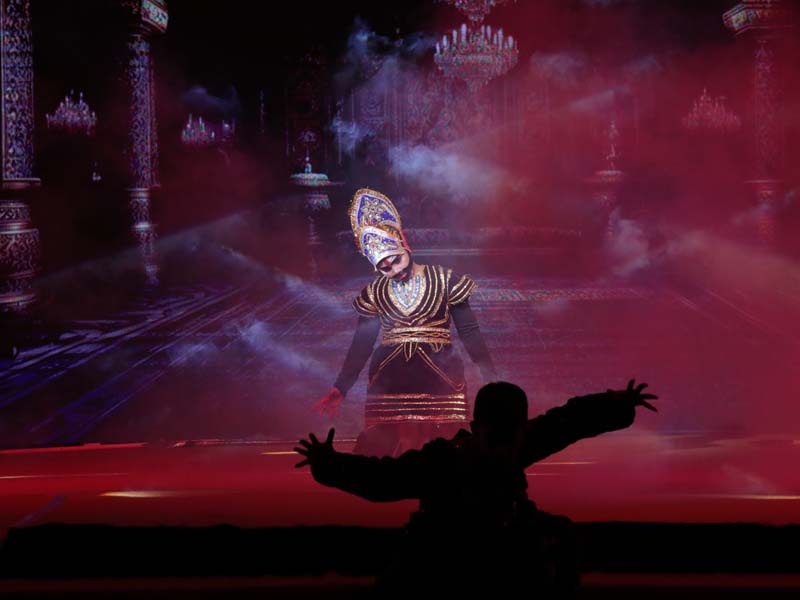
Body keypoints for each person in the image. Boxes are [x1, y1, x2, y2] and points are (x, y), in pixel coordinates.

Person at [297, 379, 658, 597]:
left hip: (506, 546)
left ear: (520, 430)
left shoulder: (520, 442)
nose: (502, 448)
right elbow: (383, 480)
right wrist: (327, 463)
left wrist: (616, 405)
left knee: (559, 535)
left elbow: (570, 420)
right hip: (444, 555)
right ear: (476, 428)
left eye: (510, 436)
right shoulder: (443, 460)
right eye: (496, 437)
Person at [313, 188, 496, 456]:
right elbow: (362, 343)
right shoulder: (374, 292)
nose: (396, 270)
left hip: (441, 373)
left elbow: (469, 331)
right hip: (390, 376)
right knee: (387, 451)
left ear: (404, 244)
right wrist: (341, 386)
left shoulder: (446, 279)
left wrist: (488, 372)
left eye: (397, 260)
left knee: (447, 448)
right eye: (385, 267)